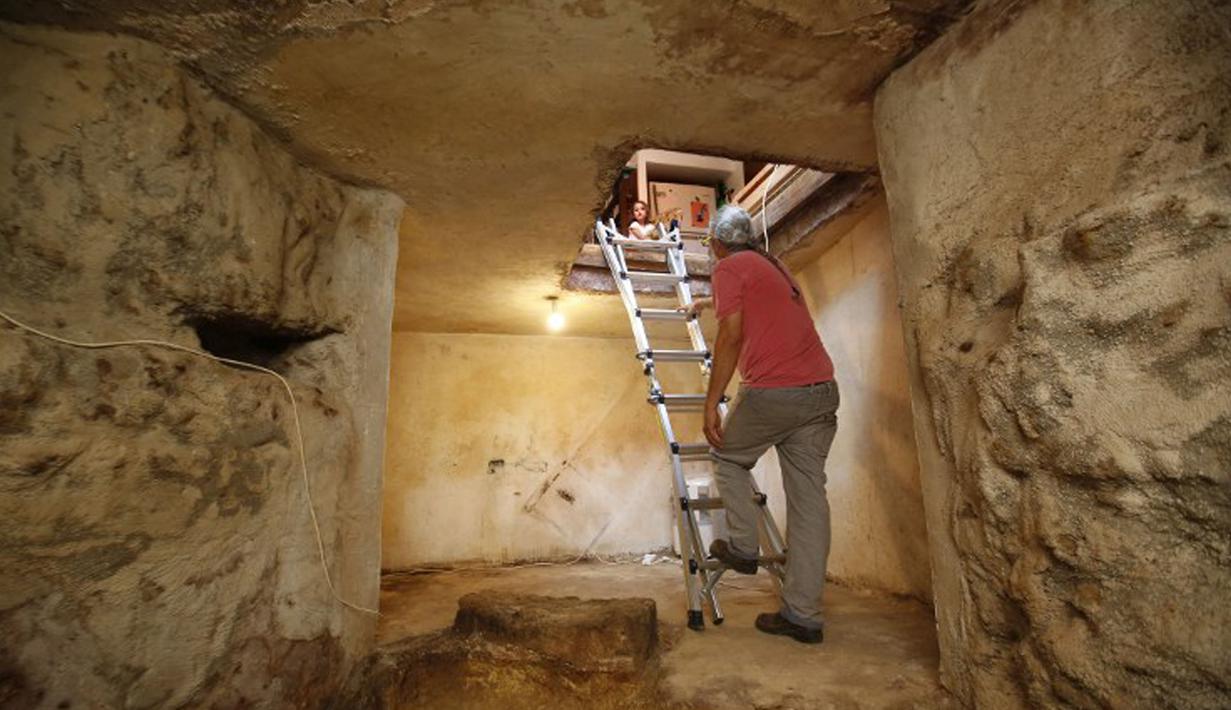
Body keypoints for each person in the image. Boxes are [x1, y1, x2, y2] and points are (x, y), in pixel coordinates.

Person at [687, 205, 838, 644]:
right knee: (809, 503)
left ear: (716, 243)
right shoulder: (772, 265)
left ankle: (742, 546)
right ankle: (802, 616)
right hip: (821, 391)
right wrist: (702, 303)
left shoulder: (728, 266)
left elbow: (730, 335)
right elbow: (750, 305)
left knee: (728, 456)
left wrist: (711, 401)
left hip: (775, 392)